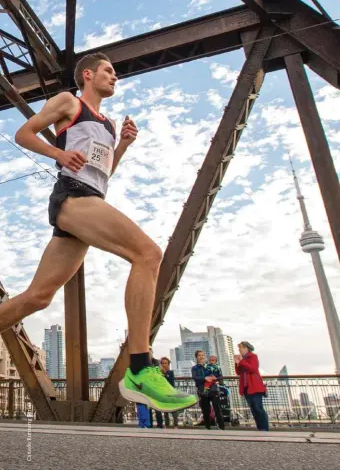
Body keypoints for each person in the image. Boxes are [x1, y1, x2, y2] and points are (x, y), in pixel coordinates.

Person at [0, 52, 196, 415]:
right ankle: (140, 368)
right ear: (88, 75)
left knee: (38, 297)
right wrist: (57, 153)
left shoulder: (106, 125)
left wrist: (122, 145)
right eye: (108, 70)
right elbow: (23, 134)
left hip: (90, 198)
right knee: (148, 254)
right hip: (71, 197)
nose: (115, 77)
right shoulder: (68, 101)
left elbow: (102, 176)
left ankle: (139, 369)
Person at [234, 341, 269, 431]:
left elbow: (253, 369)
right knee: (253, 409)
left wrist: (241, 361)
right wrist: (237, 363)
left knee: (258, 408)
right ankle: (260, 428)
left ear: (246, 348)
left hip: (255, 387)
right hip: (246, 387)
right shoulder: (242, 359)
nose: (239, 350)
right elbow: (238, 372)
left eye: (241, 347)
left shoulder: (253, 356)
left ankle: (264, 428)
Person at [192, 350, 225, 430]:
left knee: (217, 409)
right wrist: (205, 378)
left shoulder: (211, 365)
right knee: (206, 410)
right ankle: (207, 427)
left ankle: (222, 427)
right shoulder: (195, 368)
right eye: (199, 355)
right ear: (196, 357)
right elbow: (195, 378)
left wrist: (216, 378)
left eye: (203, 355)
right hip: (202, 391)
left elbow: (220, 376)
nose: (201, 356)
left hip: (213, 390)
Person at [160, 357, 179, 428]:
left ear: (168, 364)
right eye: (163, 363)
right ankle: (167, 425)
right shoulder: (159, 373)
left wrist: (165, 374)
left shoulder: (171, 372)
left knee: (174, 410)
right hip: (163, 393)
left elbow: (171, 383)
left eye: (166, 363)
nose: (164, 365)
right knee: (165, 410)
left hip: (171, 393)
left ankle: (176, 425)